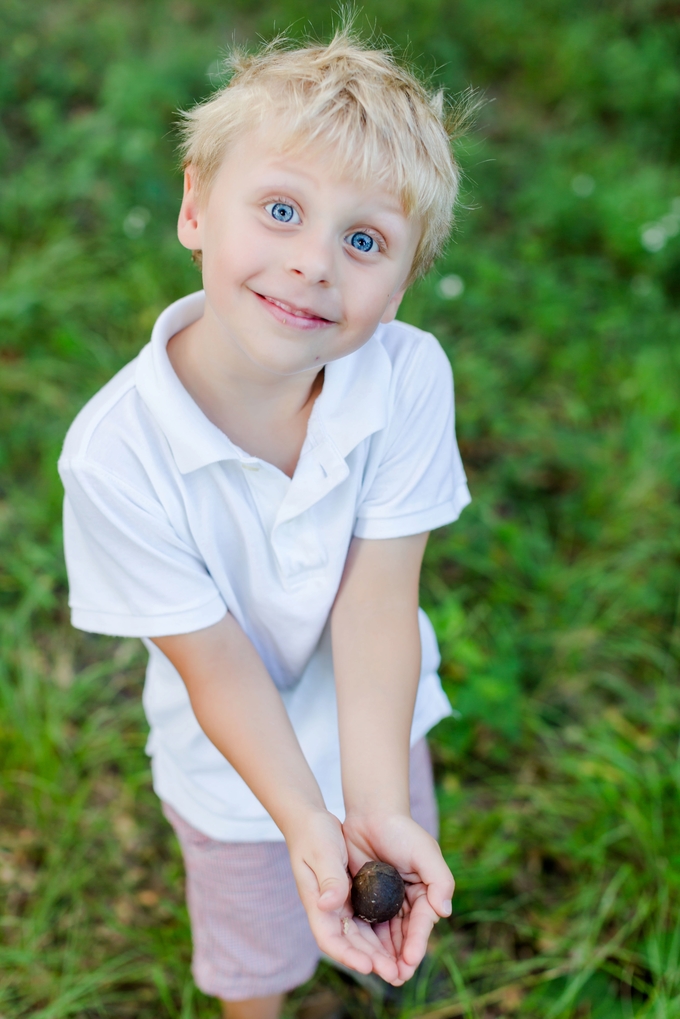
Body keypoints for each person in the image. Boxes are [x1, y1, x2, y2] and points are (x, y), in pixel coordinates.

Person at [58, 24, 472, 1019]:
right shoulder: (115, 453)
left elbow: (377, 600)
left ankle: (360, 899)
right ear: (195, 208)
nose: (313, 263)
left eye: (363, 239)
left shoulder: (405, 374)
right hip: (231, 766)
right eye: (280, 210)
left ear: (404, 280)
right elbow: (218, 663)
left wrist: (366, 806)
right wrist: (300, 819)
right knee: (256, 952)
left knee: (374, 854)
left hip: (378, 719)